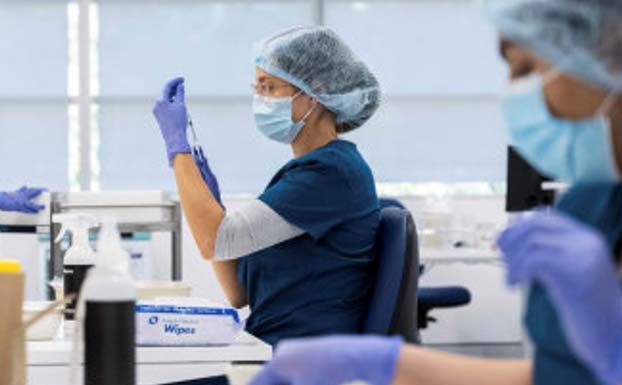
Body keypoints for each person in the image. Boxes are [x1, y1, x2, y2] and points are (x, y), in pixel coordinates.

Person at [248, 1, 622, 385]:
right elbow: (552, 376)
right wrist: (388, 364)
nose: (512, 94)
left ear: (612, 54)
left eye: (526, 69)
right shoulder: (590, 206)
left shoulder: (330, 170)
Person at [153, 26, 382, 346]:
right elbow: (238, 293)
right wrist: (211, 204)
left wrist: (177, 148)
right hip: (270, 344)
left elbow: (214, 241)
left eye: (270, 87)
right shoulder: (303, 173)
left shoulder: (329, 174)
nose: (260, 99)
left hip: (302, 358)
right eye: (257, 87)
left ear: (314, 93)